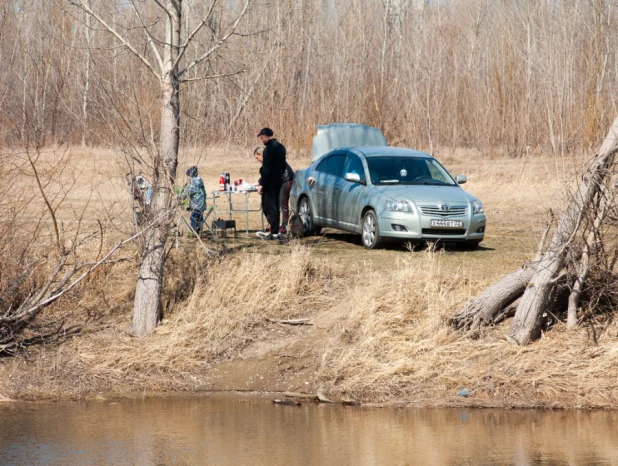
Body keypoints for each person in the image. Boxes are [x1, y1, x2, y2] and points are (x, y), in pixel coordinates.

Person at [255, 127, 286, 240]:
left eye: (261, 137)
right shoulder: (281, 147)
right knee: (276, 205)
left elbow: (267, 168)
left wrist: (262, 183)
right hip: (279, 180)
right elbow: (283, 166)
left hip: (270, 182)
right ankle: (275, 232)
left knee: (268, 206)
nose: (261, 139)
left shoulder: (268, 150)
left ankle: (273, 231)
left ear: (265, 136)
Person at [182, 166, 206, 236]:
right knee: (199, 219)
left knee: (193, 218)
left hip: (196, 205)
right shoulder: (200, 182)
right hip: (202, 205)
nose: (187, 178)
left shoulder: (192, 185)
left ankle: (195, 231)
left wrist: (177, 196)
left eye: (188, 176)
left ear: (191, 176)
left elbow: (185, 194)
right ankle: (198, 231)